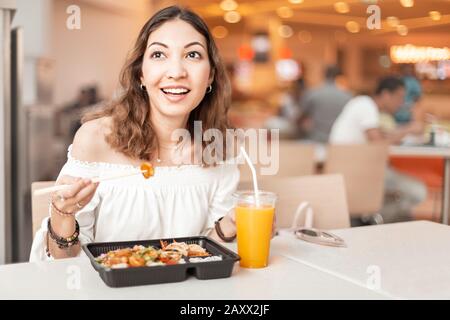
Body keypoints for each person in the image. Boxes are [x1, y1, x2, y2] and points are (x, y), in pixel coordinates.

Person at [30, 6, 248, 261]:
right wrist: (62, 214)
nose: (176, 72)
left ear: (210, 74)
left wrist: (231, 224)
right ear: (141, 74)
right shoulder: (95, 139)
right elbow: (64, 261)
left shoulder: (218, 148)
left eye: (192, 54)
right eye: (158, 54)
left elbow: (208, 252)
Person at [329, 76, 427, 223]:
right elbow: (378, 143)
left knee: (405, 195)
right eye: (399, 97)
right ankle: (371, 219)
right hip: (358, 171)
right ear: (386, 94)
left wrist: (401, 131)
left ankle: (369, 218)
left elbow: (381, 135)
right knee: (417, 192)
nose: (401, 103)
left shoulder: (364, 105)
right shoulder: (366, 105)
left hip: (354, 170)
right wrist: (409, 129)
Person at [299, 65, 352, 143]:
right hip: (339, 140)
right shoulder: (347, 96)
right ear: (340, 76)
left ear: (323, 75)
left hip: (316, 139)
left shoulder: (312, 93)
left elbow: (301, 116)